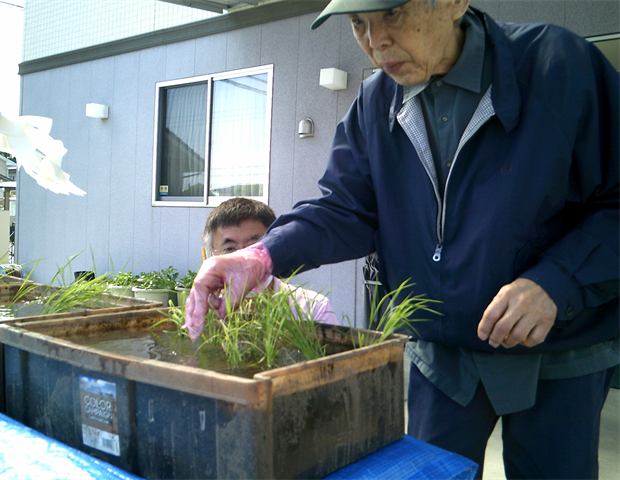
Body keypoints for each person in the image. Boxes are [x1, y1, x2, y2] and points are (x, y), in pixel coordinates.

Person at [185, 1, 620, 478]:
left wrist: (557, 282)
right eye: (357, 24)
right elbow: (343, 209)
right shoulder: (375, 102)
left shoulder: (560, 67)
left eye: (391, 14)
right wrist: (261, 256)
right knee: (428, 472)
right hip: (442, 353)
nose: (375, 43)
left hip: (561, 351)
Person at [195, 197, 338, 335]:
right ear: (212, 255)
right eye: (229, 249)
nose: (242, 261)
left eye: (254, 248)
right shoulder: (200, 312)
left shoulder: (314, 308)